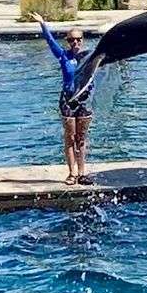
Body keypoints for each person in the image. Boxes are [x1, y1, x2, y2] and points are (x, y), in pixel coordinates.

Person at [32, 13, 94, 186]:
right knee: (70, 137)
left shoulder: (90, 57)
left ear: (83, 40)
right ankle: (72, 173)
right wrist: (43, 24)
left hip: (84, 101)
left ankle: (82, 173)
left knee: (81, 138)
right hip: (67, 100)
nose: (75, 43)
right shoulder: (63, 56)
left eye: (78, 39)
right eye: (71, 40)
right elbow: (50, 41)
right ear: (68, 42)